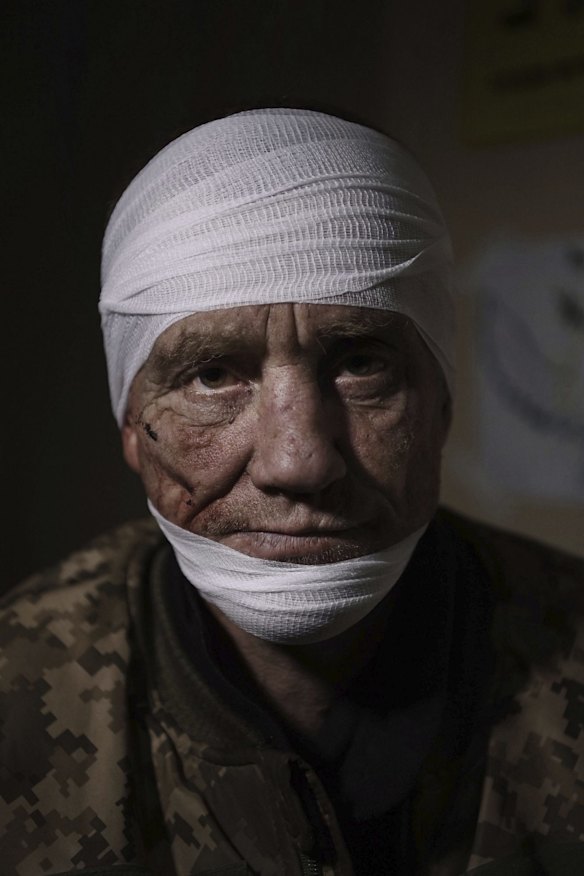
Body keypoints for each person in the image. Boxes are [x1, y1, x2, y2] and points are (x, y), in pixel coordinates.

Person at [1, 108, 582, 876]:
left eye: (362, 364)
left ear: (442, 402)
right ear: (134, 426)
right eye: (213, 376)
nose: (298, 461)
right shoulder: (16, 696)